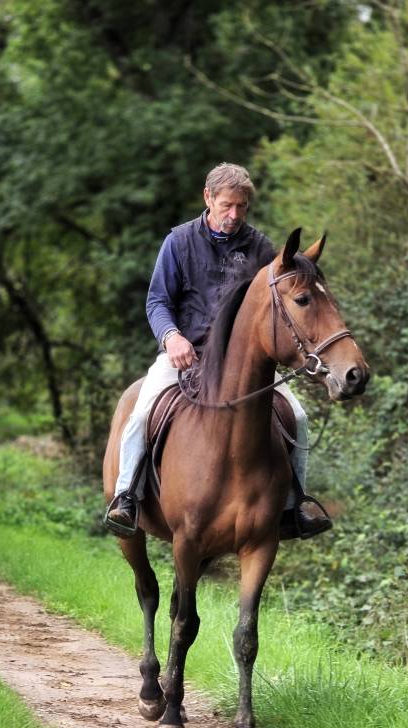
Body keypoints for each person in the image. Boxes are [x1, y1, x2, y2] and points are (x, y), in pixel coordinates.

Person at [104, 162, 332, 539]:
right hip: (185, 354)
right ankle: (127, 497)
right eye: (227, 205)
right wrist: (171, 338)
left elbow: (274, 306)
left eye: (242, 206)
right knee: (141, 414)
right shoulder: (178, 241)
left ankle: (294, 507)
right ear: (208, 197)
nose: (234, 215)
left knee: (300, 418)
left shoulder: (259, 247)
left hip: (241, 363)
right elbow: (157, 301)